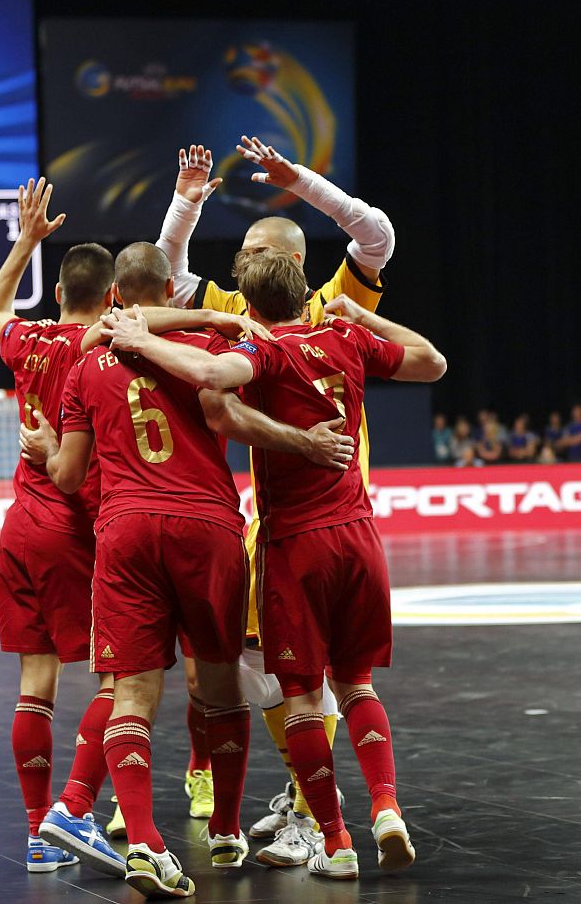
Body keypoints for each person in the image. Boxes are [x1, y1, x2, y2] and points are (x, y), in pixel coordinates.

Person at [21, 242, 354, 899]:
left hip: (126, 533)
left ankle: (145, 842)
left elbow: (69, 475)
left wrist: (47, 449)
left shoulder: (86, 364)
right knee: (221, 685)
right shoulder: (205, 344)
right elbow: (235, 415)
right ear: (172, 290)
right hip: (207, 530)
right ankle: (226, 830)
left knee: (132, 694)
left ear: (115, 296)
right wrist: (306, 443)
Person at [100, 251, 445, 879]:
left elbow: (211, 375)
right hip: (360, 535)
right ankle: (387, 806)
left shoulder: (266, 349)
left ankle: (334, 841)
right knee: (357, 685)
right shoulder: (345, 338)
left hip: (296, 544)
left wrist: (142, 338)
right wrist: (363, 317)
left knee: (303, 699)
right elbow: (432, 361)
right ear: (307, 293)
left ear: (252, 308)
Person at [153, 140, 396, 834]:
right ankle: (311, 801)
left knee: (303, 676)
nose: (242, 262)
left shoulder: (330, 308)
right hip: (278, 518)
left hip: (328, 514)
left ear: (290, 259)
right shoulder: (239, 312)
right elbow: (171, 277)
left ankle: (317, 815)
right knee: (264, 673)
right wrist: (186, 204)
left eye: (255, 251)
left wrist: (304, 184)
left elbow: (376, 236)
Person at [0, 179, 124, 875]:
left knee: (35, 685)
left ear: (59, 291)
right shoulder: (98, 350)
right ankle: (75, 809)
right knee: (119, 681)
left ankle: (37, 835)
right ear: (111, 296)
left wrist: (27, 240)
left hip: (18, 531)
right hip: (71, 531)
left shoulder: (28, 340)